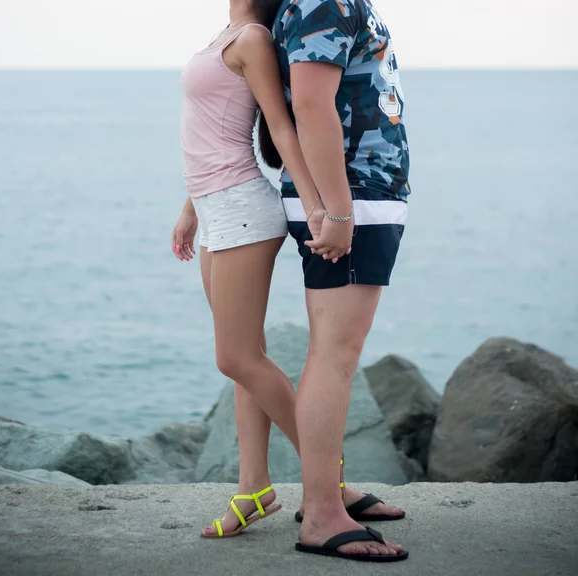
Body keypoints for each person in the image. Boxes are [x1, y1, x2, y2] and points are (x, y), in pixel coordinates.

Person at [172, 0, 406, 562]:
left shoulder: (255, 33)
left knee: (235, 358)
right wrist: (190, 207)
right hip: (216, 205)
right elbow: (216, 129)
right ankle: (255, 486)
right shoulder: (236, 31)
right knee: (245, 356)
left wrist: (323, 206)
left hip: (244, 206)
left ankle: (328, 484)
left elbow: (284, 123)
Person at [266, 0, 411, 563]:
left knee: (331, 353)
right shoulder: (321, 0)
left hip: (356, 198)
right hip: (352, 200)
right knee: (335, 356)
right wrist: (339, 211)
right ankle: (324, 515)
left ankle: (326, 496)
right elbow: (308, 103)